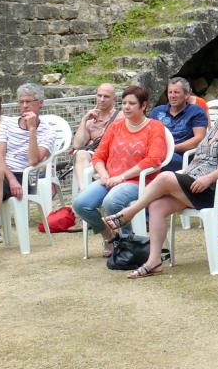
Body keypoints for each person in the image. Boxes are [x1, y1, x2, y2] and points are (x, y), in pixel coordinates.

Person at [105, 87, 218, 278]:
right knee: (157, 206)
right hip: (194, 184)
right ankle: (154, 261)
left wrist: (209, 177)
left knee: (164, 176)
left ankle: (129, 212)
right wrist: (188, 173)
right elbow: (201, 156)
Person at [0, 84, 59, 262]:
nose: (24, 106)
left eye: (29, 102)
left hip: (26, 175)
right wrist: (12, 179)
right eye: (21, 102)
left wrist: (31, 130)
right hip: (1, 171)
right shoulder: (8, 124)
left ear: (40, 104)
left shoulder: (48, 131)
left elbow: (33, 161)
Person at [72, 85, 168, 257]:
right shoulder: (116, 127)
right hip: (110, 178)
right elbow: (99, 155)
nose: (126, 107)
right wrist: (104, 174)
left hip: (139, 181)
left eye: (132, 103)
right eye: (124, 103)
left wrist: (122, 176)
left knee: (111, 202)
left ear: (143, 105)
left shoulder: (155, 127)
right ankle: (109, 236)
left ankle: (128, 242)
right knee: (81, 203)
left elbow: (154, 159)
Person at [151, 78, 208, 171]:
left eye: (176, 92)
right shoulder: (157, 111)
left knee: (156, 158)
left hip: (182, 157)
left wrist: (171, 149)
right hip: (157, 152)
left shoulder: (196, 111)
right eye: (170, 92)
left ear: (186, 95)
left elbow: (199, 139)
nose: (172, 96)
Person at [70, 83, 118, 191]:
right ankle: (84, 192)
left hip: (112, 156)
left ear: (114, 99)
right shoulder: (91, 119)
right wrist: (84, 120)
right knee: (80, 153)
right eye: (99, 95)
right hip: (93, 157)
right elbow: (78, 145)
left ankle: (86, 194)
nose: (101, 99)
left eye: (106, 96)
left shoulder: (120, 117)